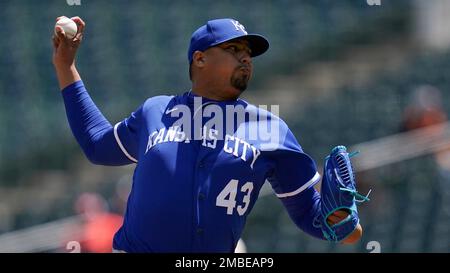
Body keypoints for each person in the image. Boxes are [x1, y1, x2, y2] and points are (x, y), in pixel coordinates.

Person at [52, 16, 364, 253]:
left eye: (248, 53)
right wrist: (66, 66)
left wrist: (342, 224)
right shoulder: (155, 111)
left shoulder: (270, 129)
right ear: (199, 59)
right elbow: (97, 144)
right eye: (234, 49)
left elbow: (313, 215)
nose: (245, 57)